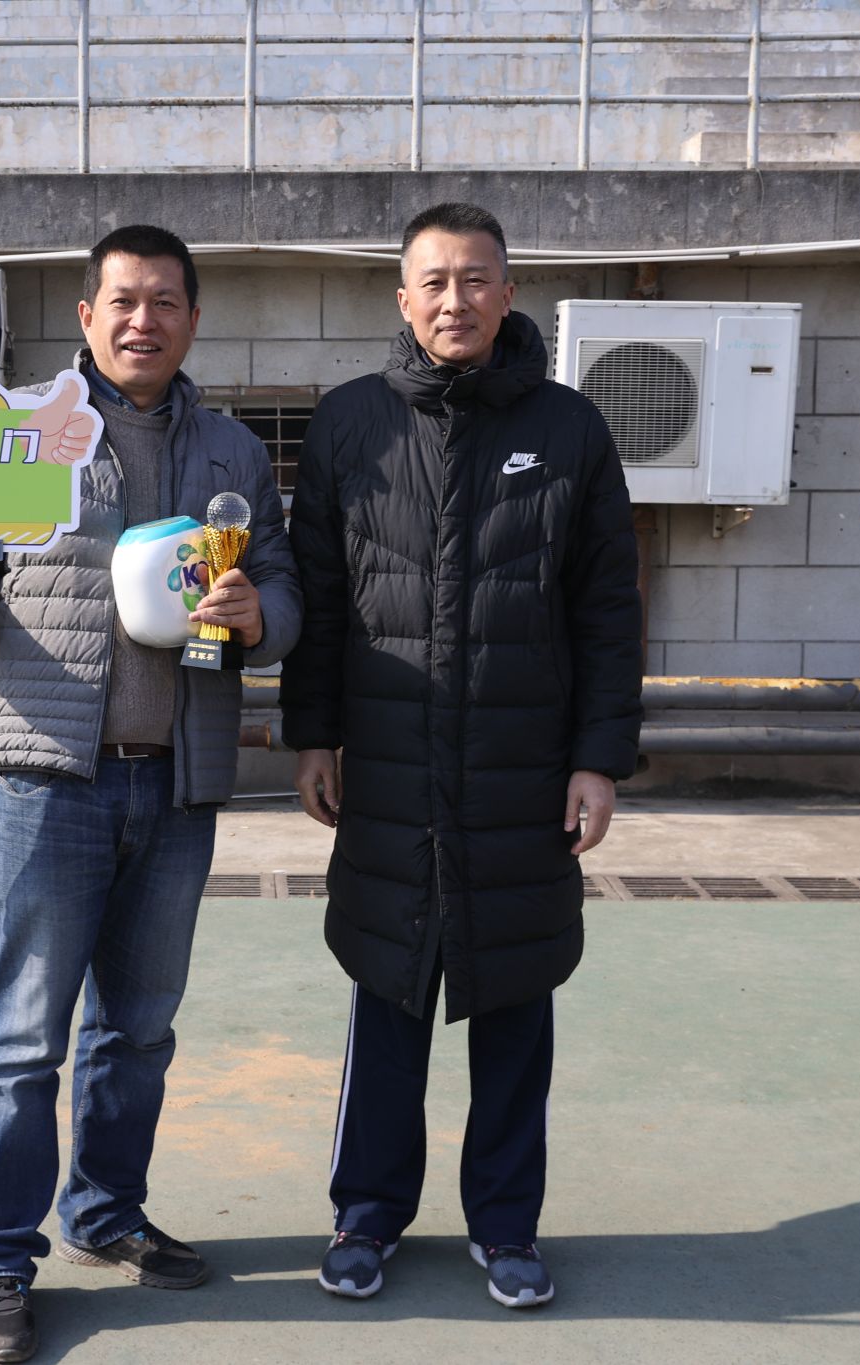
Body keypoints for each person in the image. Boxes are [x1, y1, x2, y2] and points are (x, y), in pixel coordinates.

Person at [0, 225, 300, 1363]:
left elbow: (282, 586)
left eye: (164, 301)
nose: (143, 320)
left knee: (137, 1030)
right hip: (48, 781)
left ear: (192, 319)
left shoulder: (234, 452)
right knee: (21, 1038)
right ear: (87, 317)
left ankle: (103, 1213)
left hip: (180, 782)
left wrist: (264, 616)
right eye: (122, 301)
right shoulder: (20, 435)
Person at [279, 202, 642, 1310]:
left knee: (516, 999)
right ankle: (365, 1215)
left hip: (522, 774)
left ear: (508, 293)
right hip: (388, 770)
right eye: (432, 282)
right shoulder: (349, 424)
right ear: (402, 299)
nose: (454, 300)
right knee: (387, 991)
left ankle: (505, 1224)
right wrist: (312, 734)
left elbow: (608, 610)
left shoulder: (570, 429)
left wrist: (598, 758)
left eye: (475, 279)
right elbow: (320, 599)